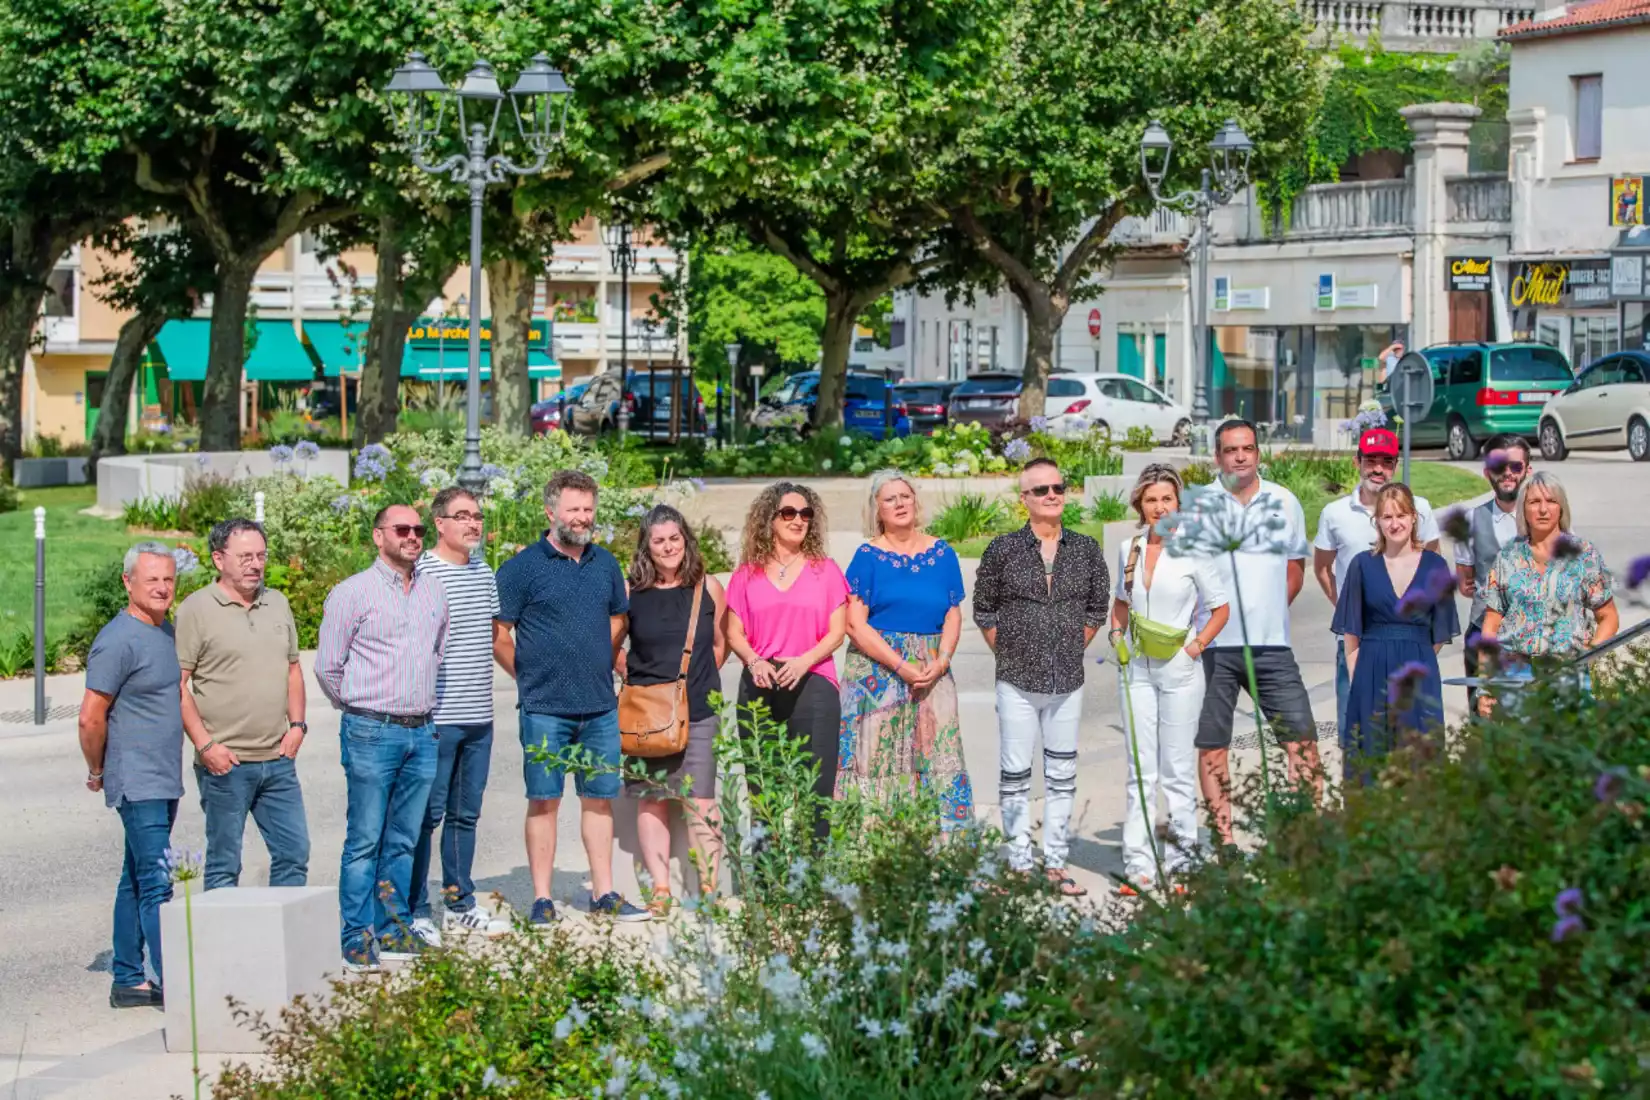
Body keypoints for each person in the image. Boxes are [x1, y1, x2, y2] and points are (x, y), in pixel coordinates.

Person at [495, 470, 649, 924]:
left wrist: (603, 655)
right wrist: (526, 675)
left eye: (587, 509)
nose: (582, 518)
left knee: (599, 799)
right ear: (550, 512)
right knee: (544, 800)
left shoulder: (605, 564)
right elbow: (498, 634)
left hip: (600, 707)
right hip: (545, 708)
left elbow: (619, 619)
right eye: (573, 510)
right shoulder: (522, 569)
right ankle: (542, 899)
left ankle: (604, 892)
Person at [315, 503, 449, 970]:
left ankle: (393, 928)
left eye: (418, 529)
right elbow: (328, 667)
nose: (412, 536)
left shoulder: (434, 591)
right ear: (378, 536)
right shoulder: (353, 593)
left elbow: (438, 657)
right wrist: (362, 711)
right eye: (402, 529)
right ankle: (356, 934)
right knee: (365, 839)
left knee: (404, 840)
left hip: (422, 732)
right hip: (372, 730)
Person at [973, 458, 1110, 896]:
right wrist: (1011, 649)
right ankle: (1016, 863)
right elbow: (984, 608)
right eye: (1041, 490)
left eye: (1058, 487)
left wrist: (1069, 646)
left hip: (1067, 681)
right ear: (1024, 500)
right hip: (1015, 680)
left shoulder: (1086, 549)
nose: (1052, 495)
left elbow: (1097, 607)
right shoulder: (1003, 549)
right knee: (1014, 774)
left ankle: (1054, 863)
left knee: (1062, 774)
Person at [1194, 419, 1322, 845]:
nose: (1241, 456)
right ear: (1218, 457)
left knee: (1302, 743)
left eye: (1248, 448)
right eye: (1232, 450)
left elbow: (1294, 570)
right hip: (1215, 648)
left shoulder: (1283, 502)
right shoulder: (1198, 506)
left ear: (1258, 454)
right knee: (1213, 747)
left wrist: (1264, 611)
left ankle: (1302, 838)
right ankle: (1224, 841)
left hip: (1272, 646)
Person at [1107, 465, 1229, 893]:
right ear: (1140, 504)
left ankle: (1181, 866)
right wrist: (1116, 636)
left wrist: (1194, 648)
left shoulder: (1195, 549)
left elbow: (1220, 609)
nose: (1160, 507)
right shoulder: (1129, 547)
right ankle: (1139, 866)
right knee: (1140, 771)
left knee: (1176, 770)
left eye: (1167, 499)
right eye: (1151, 499)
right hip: (1136, 668)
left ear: (1179, 504)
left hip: (1180, 669)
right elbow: (1121, 602)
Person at [176, 518, 308, 892]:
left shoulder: (277, 603)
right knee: (223, 864)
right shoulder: (196, 609)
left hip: (277, 760)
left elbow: (292, 669)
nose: (256, 564)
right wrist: (206, 745)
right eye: (245, 556)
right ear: (219, 559)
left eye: (261, 555)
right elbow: (178, 685)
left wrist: (297, 726)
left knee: (294, 853)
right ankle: (221, 949)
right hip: (225, 765)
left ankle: (281, 942)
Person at [837, 471, 973, 830]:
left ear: (916, 501)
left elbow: (953, 612)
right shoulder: (867, 557)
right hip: (877, 673)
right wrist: (900, 665)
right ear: (877, 510)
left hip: (932, 672)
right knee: (877, 762)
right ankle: (876, 856)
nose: (899, 504)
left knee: (938, 758)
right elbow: (854, 624)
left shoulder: (942, 553)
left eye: (905, 496)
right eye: (889, 499)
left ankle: (942, 858)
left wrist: (942, 660)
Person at [79, 543, 182, 1009]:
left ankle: (128, 978)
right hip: (137, 779)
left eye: (168, 579)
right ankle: (175, 981)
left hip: (164, 776)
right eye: (152, 580)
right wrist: (97, 769)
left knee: (137, 880)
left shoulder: (165, 630)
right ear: (128, 583)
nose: (162, 588)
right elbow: (89, 717)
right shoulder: (117, 639)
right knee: (158, 880)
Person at [408, 488, 511, 946]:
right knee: (425, 816)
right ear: (440, 523)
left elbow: (494, 638)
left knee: (464, 815)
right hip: (437, 718)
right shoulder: (422, 573)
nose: (472, 524)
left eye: (477, 516)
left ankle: (459, 903)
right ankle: (413, 908)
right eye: (462, 516)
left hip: (478, 717)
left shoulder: (483, 572)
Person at [617, 505, 728, 914]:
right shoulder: (630, 593)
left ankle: (709, 889)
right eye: (659, 540)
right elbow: (614, 647)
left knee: (701, 801)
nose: (668, 547)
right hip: (646, 715)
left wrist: (687, 685)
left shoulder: (708, 588)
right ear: (647, 546)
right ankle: (661, 890)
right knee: (652, 799)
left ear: (687, 540)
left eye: (675, 538)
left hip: (698, 709)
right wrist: (640, 680)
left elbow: (720, 645)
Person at [725, 482, 849, 845]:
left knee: (816, 787)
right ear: (769, 519)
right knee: (765, 788)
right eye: (789, 513)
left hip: (812, 678)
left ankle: (811, 882)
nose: (799, 520)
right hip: (760, 680)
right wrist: (753, 660)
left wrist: (804, 660)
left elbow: (837, 632)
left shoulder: (825, 570)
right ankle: (768, 887)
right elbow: (735, 633)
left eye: (806, 514)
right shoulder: (746, 574)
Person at [1313, 427, 1441, 741]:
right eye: (1371, 460)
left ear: (1395, 465)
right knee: (1356, 736)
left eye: (1386, 460)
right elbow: (1321, 569)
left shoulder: (1420, 508)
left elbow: (1432, 573)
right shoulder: (1335, 513)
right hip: (1356, 645)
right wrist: (1350, 613)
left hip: (1409, 648)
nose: (1378, 468)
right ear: (1358, 462)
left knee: (1412, 743)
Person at [1332, 484, 1460, 782]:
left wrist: (1414, 653)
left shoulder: (1435, 566)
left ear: (1414, 517)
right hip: (1371, 671)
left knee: (1420, 758)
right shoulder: (1362, 565)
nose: (1395, 523)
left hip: (1418, 672)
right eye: (1387, 517)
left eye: (1401, 515)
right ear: (1377, 521)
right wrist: (1358, 677)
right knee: (1372, 761)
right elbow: (1351, 631)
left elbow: (1439, 633)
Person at [1478, 472, 1618, 715]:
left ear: (1561, 508)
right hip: (1515, 676)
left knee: (1566, 748)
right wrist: (1485, 687)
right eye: (1534, 502)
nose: (1543, 509)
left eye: (1551, 501)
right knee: (1521, 750)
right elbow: (1491, 625)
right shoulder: (1508, 557)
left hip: (1567, 673)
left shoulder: (1584, 555)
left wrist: (1590, 651)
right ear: (1523, 510)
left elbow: (1609, 617)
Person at [1453, 435, 1533, 714]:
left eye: (1515, 466)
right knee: (1482, 719)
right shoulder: (1472, 521)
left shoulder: (1544, 518)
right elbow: (1466, 581)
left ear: (1527, 470)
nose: (1507, 474)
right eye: (1499, 466)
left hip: (1531, 635)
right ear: (1487, 472)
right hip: (1481, 631)